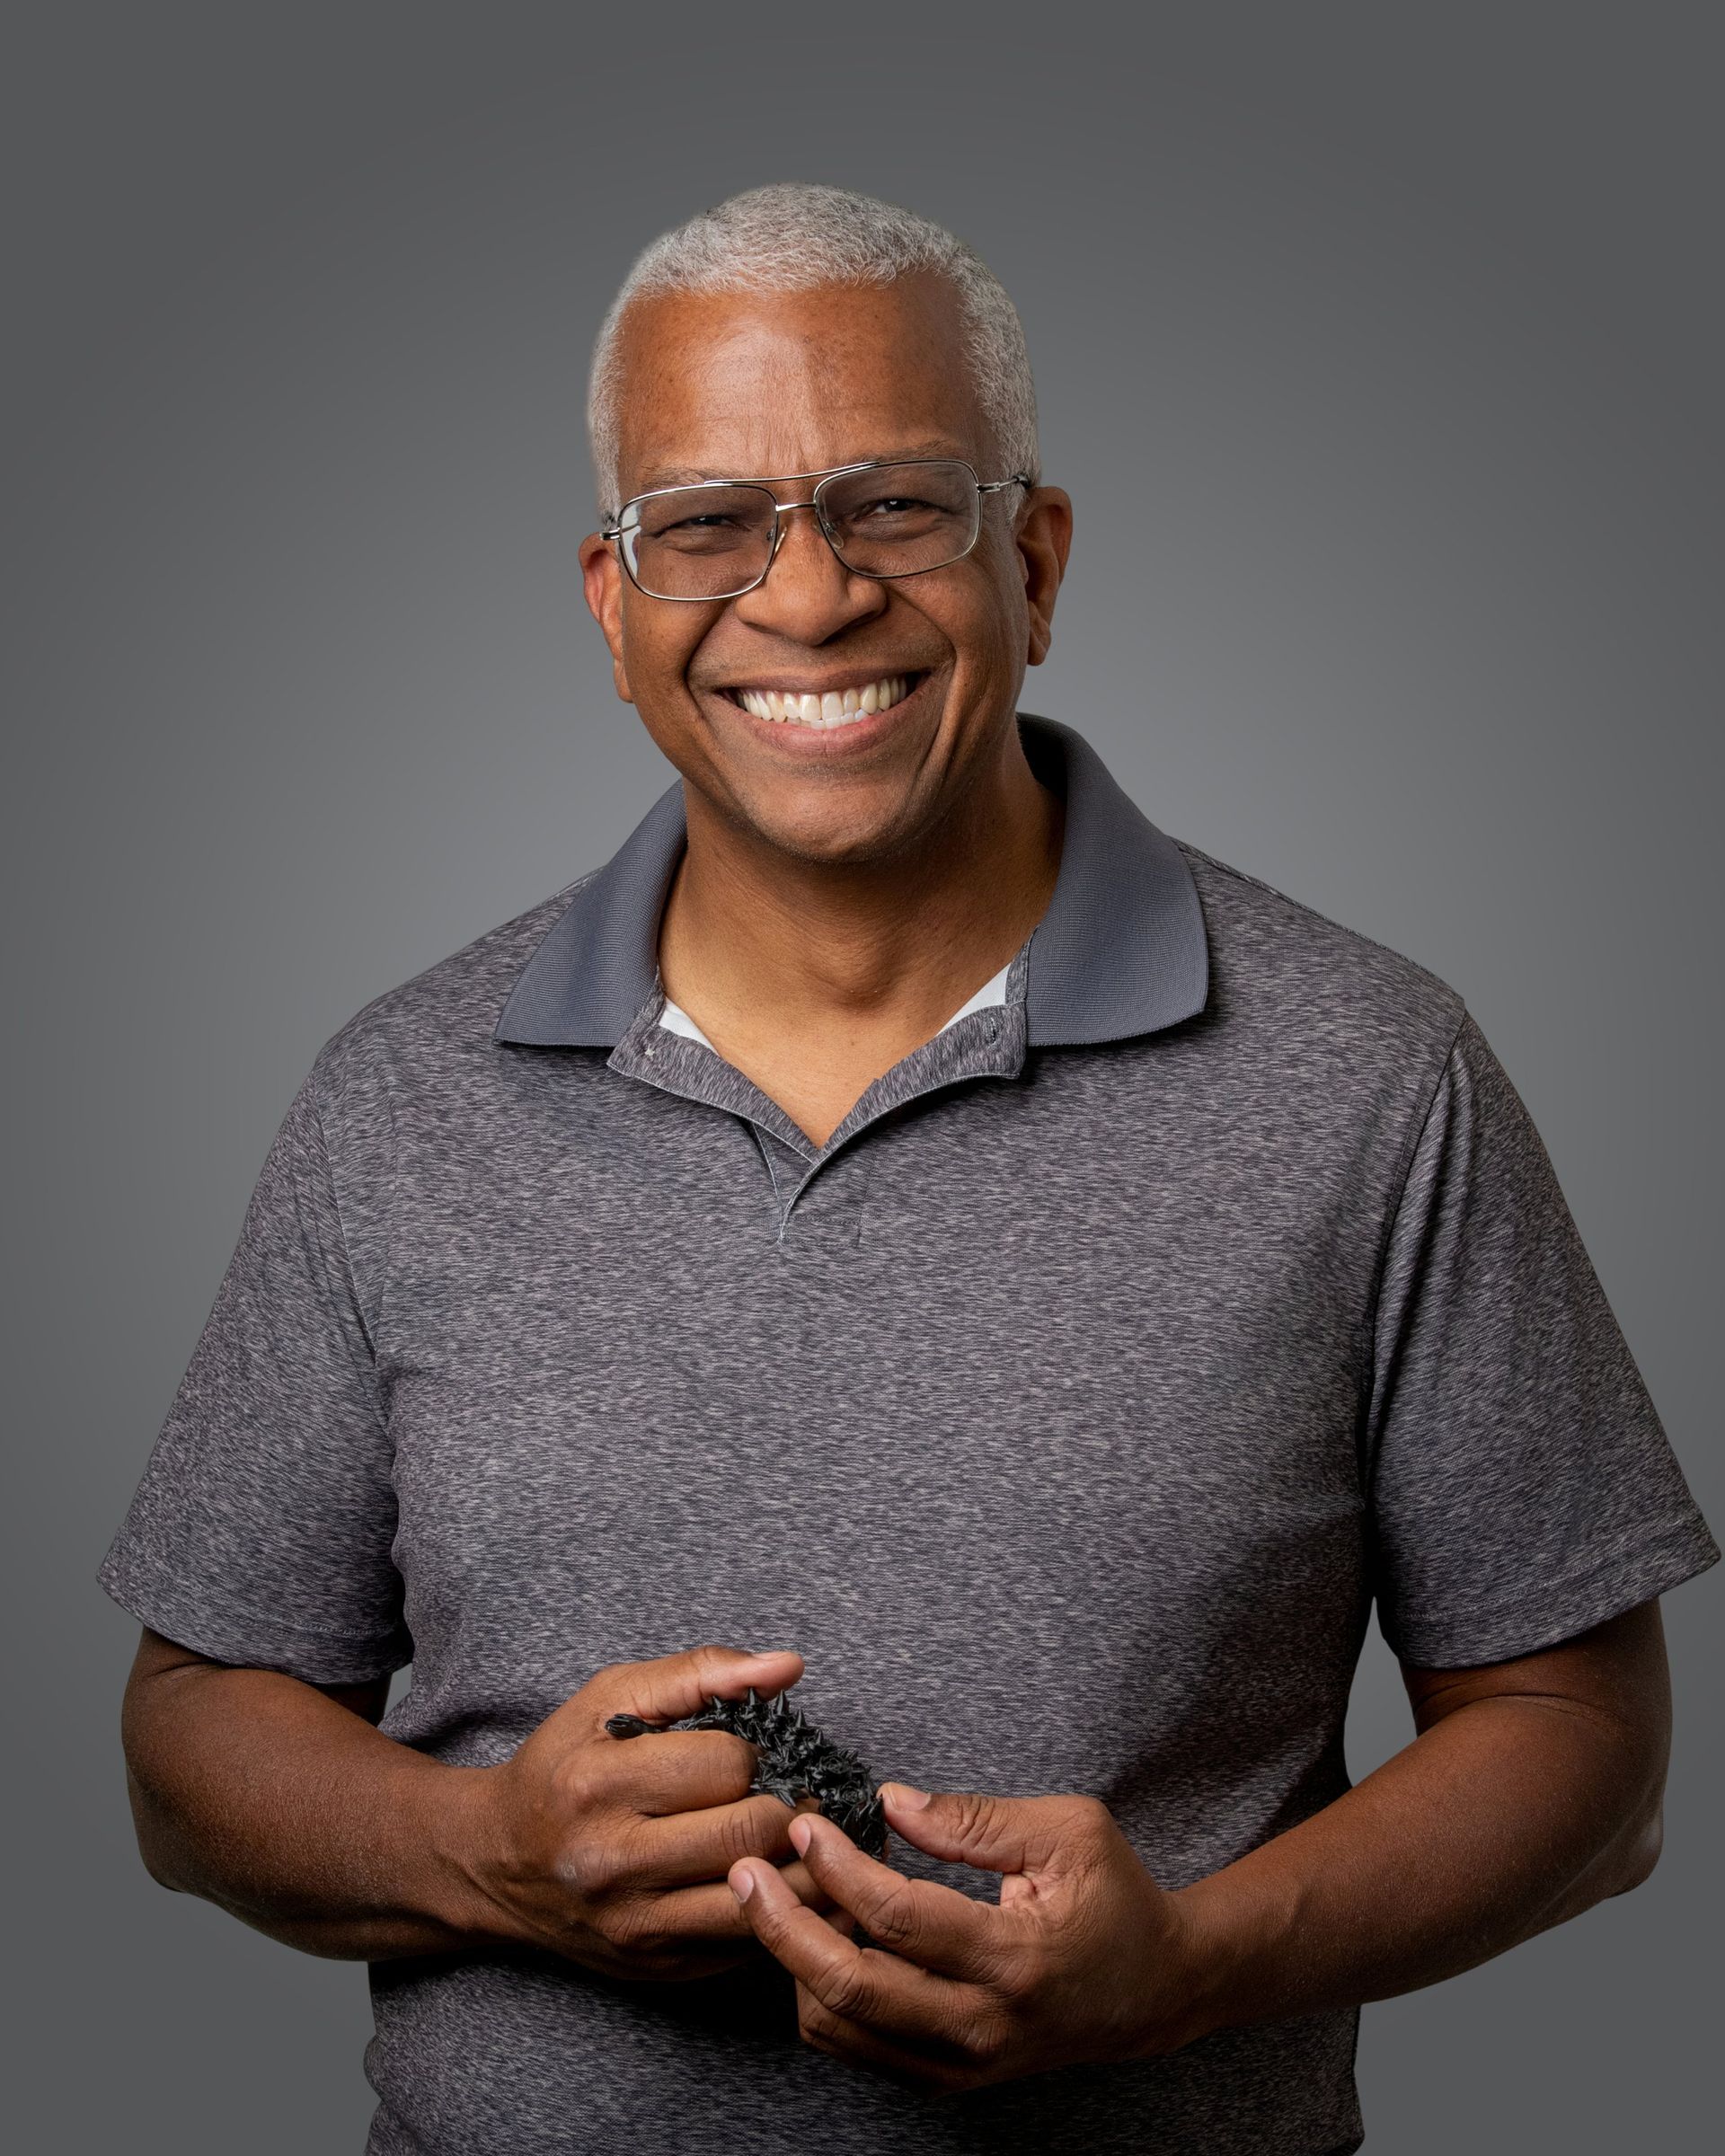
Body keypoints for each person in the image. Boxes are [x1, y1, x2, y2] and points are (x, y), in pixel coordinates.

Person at [101, 182, 1717, 2156]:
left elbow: (1586, 1752)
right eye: (709, 524)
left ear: (1033, 561)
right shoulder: (398, 1100)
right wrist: (481, 1847)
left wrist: (1191, 1968)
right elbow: (191, 1742)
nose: (806, 600)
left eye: (894, 506)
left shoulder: (1377, 1077)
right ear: (614, 610)